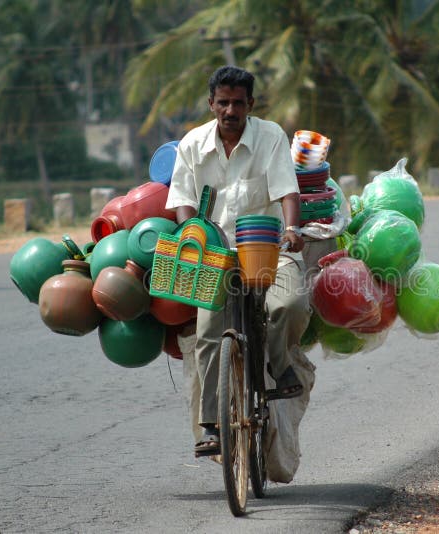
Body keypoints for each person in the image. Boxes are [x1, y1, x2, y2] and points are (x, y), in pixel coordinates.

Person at [166, 65, 312, 457]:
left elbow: (287, 190)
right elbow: (182, 200)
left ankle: (278, 366)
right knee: (208, 332)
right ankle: (211, 425)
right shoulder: (192, 144)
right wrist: (193, 236)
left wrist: (292, 229)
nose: (230, 110)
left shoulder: (270, 136)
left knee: (290, 304)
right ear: (211, 104)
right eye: (223, 103)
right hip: (215, 255)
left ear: (250, 104)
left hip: (267, 250)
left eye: (238, 103)